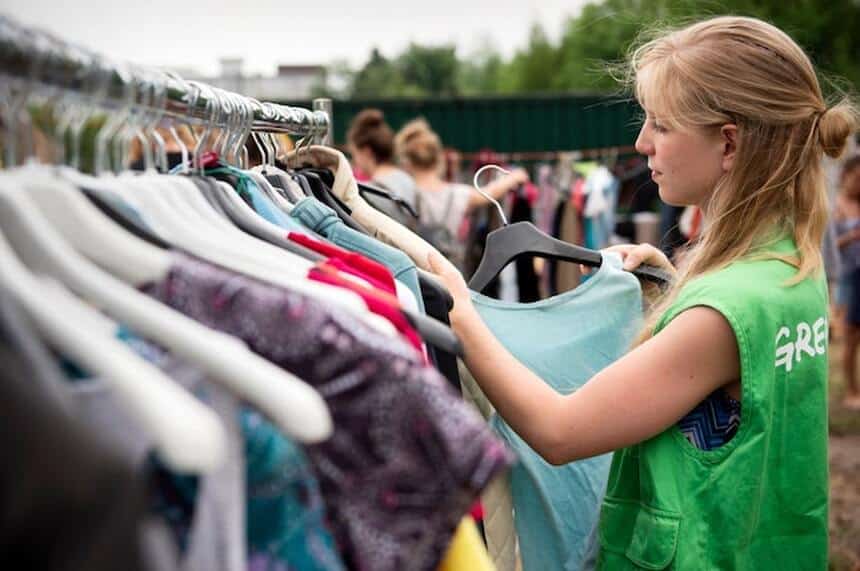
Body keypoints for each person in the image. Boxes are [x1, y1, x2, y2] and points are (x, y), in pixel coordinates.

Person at [426, 16, 859, 569]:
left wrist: (460, 313)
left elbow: (560, 433)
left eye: (661, 124)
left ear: (728, 143)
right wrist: (675, 286)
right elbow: (738, 386)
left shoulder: (723, 312)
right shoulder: (790, 266)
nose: (641, 142)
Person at [396, 118, 528, 270]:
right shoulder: (457, 194)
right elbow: (490, 191)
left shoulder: (402, 195)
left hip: (415, 272)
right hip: (451, 273)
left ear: (407, 162)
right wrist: (514, 176)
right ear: (438, 159)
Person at [347, 109, 420, 229]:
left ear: (366, 152)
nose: (354, 161)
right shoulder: (408, 179)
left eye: (354, 154)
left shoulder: (368, 192)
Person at [831, 155, 860, 409]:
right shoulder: (836, 206)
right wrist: (852, 235)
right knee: (850, 335)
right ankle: (851, 389)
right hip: (848, 276)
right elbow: (829, 248)